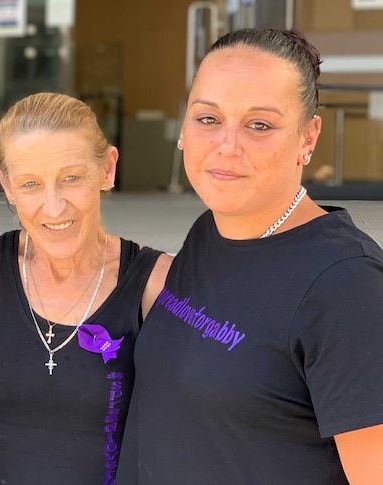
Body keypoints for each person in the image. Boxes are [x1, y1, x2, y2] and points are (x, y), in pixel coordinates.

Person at [116, 28, 383, 484]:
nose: (227, 146)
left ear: (308, 136)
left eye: (259, 125)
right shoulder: (208, 233)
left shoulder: (346, 285)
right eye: (207, 119)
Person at [0, 92, 171, 483]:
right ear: (7, 186)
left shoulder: (155, 284)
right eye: (30, 184)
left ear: (108, 169)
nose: (54, 206)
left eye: (72, 178)